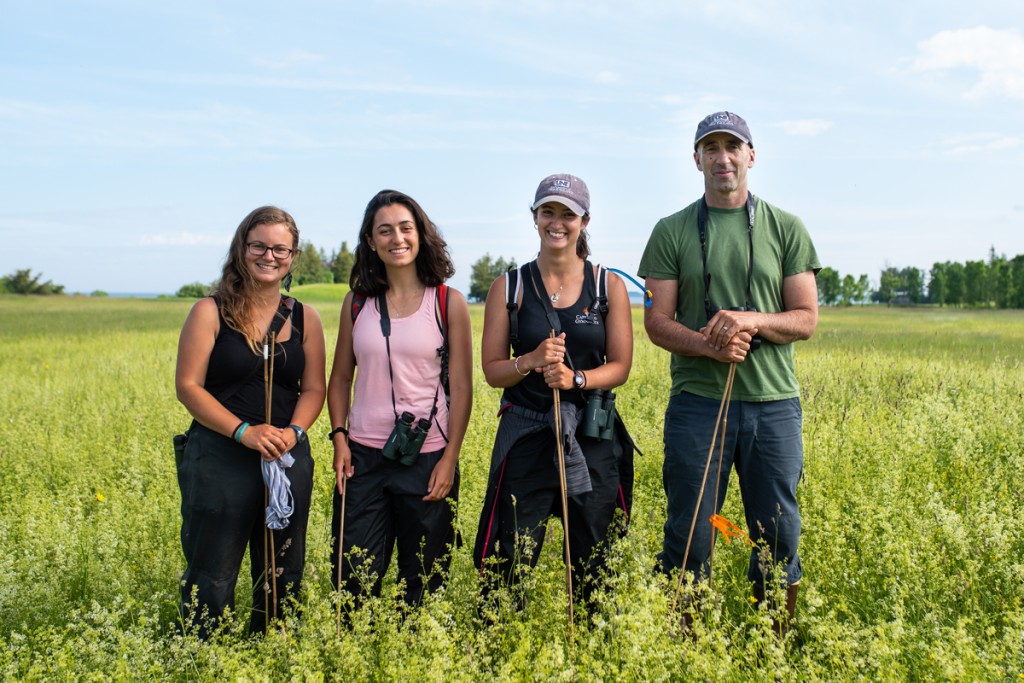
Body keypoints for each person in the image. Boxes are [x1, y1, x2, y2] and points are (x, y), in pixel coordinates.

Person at [638, 111, 820, 632]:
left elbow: (805, 319)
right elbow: (656, 322)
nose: (723, 158)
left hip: (773, 406)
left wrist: (749, 321)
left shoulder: (787, 227)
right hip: (698, 404)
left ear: (751, 156)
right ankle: (686, 644)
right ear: (696, 159)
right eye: (711, 148)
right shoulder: (671, 230)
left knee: (777, 532)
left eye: (732, 147)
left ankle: (774, 643)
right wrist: (709, 346)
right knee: (693, 531)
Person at [473, 173, 637, 604]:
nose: (557, 222)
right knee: (506, 559)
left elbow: (620, 367)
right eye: (548, 211)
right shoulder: (508, 288)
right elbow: (492, 371)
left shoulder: (608, 287)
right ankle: (501, 642)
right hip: (527, 433)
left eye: (568, 213)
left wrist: (575, 379)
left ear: (585, 220)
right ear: (534, 217)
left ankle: (591, 644)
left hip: (591, 434)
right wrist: (529, 361)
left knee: (596, 556)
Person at [175, 205, 326, 638]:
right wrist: (244, 431)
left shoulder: (305, 317)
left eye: (281, 248)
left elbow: (313, 388)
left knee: (283, 567)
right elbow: (189, 387)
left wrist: (293, 433)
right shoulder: (210, 311)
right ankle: (204, 653)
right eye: (259, 245)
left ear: (293, 256)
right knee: (213, 570)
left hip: (285, 456)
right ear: (242, 248)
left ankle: (272, 649)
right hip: (220, 454)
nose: (269, 255)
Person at [328, 189, 472, 607]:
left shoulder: (448, 302)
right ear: (370, 241)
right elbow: (339, 378)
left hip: (427, 458)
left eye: (406, 228)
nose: (397, 238)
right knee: (354, 580)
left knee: (425, 581)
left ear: (421, 234)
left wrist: (450, 460)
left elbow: (462, 387)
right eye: (384, 231)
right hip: (362, 460)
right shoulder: (357, 303)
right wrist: (339, 438)